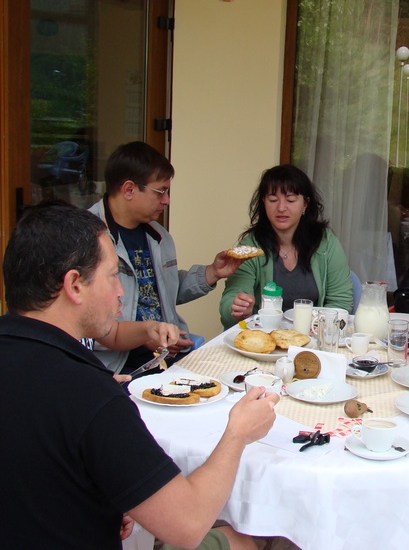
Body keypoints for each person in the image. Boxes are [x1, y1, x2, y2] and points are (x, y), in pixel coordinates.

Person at [0, 202, 279, 549]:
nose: (120, 291)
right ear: (74, 285)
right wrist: (238, 434)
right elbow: (188, 523)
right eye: (113, 276)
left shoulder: (76, 389)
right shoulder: (91, 397)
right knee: (240, 541)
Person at [89, 141, 247, 375]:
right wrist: (146, 336)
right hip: (115, 364)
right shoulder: (86, 237)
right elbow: (84, 323)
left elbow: (164, 290)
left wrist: (212, 273)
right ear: (129, 189)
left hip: (166, 354)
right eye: (161, 192)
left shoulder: (159, 236)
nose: (167, 200)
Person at [220, 164, 353, 328]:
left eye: (290, 200)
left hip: (312, 334)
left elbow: (341, 302)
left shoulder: (325, 242)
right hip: (265, 335)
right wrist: (237, 308)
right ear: (264, 202)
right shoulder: (251, 246)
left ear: (305, 204)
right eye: (273, 200)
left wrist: (317, 330)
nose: (281, 208)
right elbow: (229, 305)